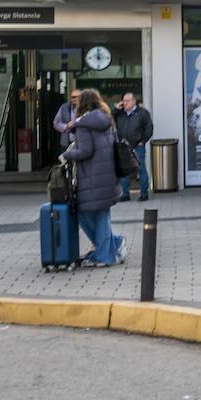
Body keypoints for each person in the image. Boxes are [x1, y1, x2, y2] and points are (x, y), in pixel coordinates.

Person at [61, 89, 126, 267]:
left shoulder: (83, 125)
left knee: (84, 214)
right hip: (108, 176)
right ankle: (113, 245)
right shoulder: (107, 120)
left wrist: (67, 155)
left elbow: (85, 151)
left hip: (91, 177)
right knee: (102, 215)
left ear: (82, 103)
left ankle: (106, 254)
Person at [115, 92, 154, 202]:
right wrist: (116, 110)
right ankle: (125, 194)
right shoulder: (120, 113)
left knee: (141, 170)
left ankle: (144, 193)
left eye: (127, 101)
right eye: (123, 100)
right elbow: (110, 119)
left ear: (134, 101)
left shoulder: (142, 113)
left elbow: (149, 128)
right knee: (125, 171)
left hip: (137, 146)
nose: (124, 103)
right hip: (123, 146)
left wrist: (143, 141)